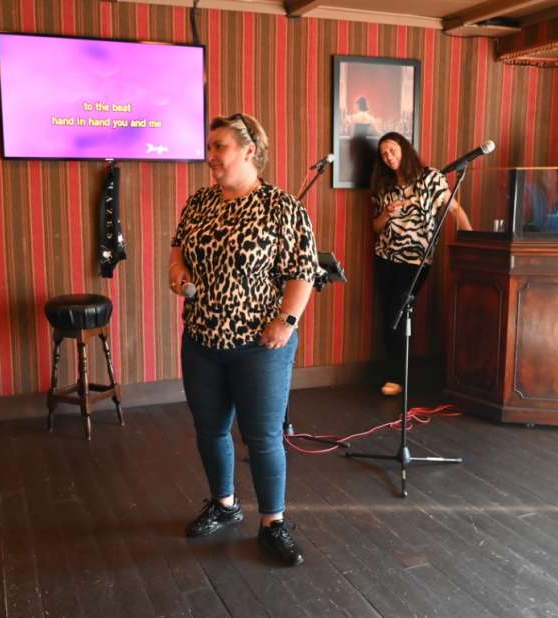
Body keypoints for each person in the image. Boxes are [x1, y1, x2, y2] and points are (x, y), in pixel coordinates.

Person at [168, 113, 319, 567]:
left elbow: (303, 271)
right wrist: (177, 275)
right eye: (209, 148)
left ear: (249, 150)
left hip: (260, 346)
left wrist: (286, 322)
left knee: (262, 437)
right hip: (201, 339)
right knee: (210, 429)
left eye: (220, 147)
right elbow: (178, 252)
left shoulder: (281, 206)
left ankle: (273, 523)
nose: (210, 156)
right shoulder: (199, 203)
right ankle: (224, 504)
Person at [370, 132, 472, 397]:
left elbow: (454, 209)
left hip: (416, 260)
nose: (389, 157)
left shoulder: (430, 178)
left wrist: (471, 239)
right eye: (384, 154)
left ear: (404, 149)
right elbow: (376, 226)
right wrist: (386, 213)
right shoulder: (384, 185)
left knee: (400, 309)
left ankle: (397, 376)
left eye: (392, 150)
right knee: (389, 315)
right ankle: (393, 374)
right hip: (386, 257)